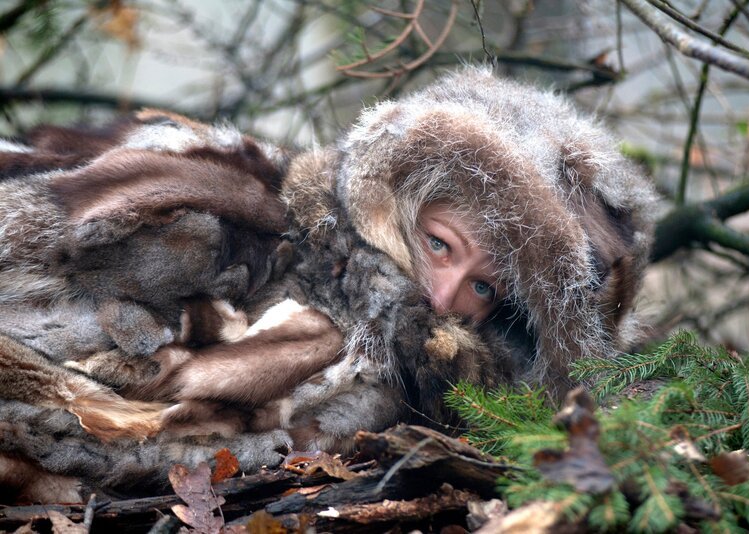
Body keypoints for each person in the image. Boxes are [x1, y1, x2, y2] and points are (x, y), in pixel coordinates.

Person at [0, 68, 656, 501]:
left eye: (485, 289)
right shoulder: (241, 212)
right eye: (440, 245)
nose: (444, 297)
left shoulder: (424, 381)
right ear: (394, 206)